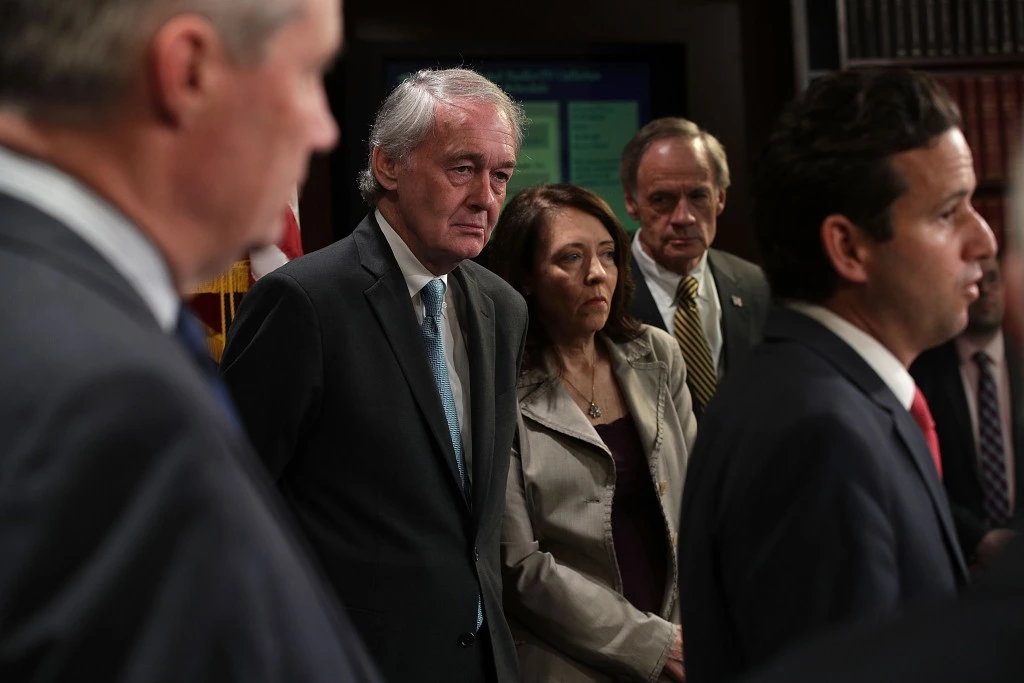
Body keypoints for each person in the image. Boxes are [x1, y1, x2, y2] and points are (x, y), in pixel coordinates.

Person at [0, 0, 380, 681]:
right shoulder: (106, 396)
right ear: (189, 71)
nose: (323, 130)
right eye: (307, 74)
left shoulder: (57, 304)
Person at [677, 68, 994, 683]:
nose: (982, 239)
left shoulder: (836, 398)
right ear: (849, 249)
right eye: (949, 212)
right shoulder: (818, 434)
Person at [220, 67, 529, 683]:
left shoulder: (503, 307)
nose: (486, 198)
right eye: (463, 168)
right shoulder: (303, 302)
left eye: (501, 175)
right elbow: (231, 508)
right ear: (388, 165)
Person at [483, 183, 696, 682]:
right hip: (568, 658)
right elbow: (519, 565)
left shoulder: (657, 355)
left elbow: (698, 502)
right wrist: (653, 643)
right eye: (571, 258)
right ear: (527, 277)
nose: (597, 274)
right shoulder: (500, 387)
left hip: (684, 641)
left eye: (607, 254)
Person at [620, 117, 769, 417]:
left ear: (720, 199)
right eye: (662, 199)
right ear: (631, 203)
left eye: (698, 196)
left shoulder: (753, 284)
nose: (683, 217)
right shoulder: (604, 287)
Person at [912, 255, 1022, 571]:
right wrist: (978, 539)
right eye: (974, 281)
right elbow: (923, 476)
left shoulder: (1020, 358)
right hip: (957, 559)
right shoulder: (924, 371)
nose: (985, 290)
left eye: (993, 279)